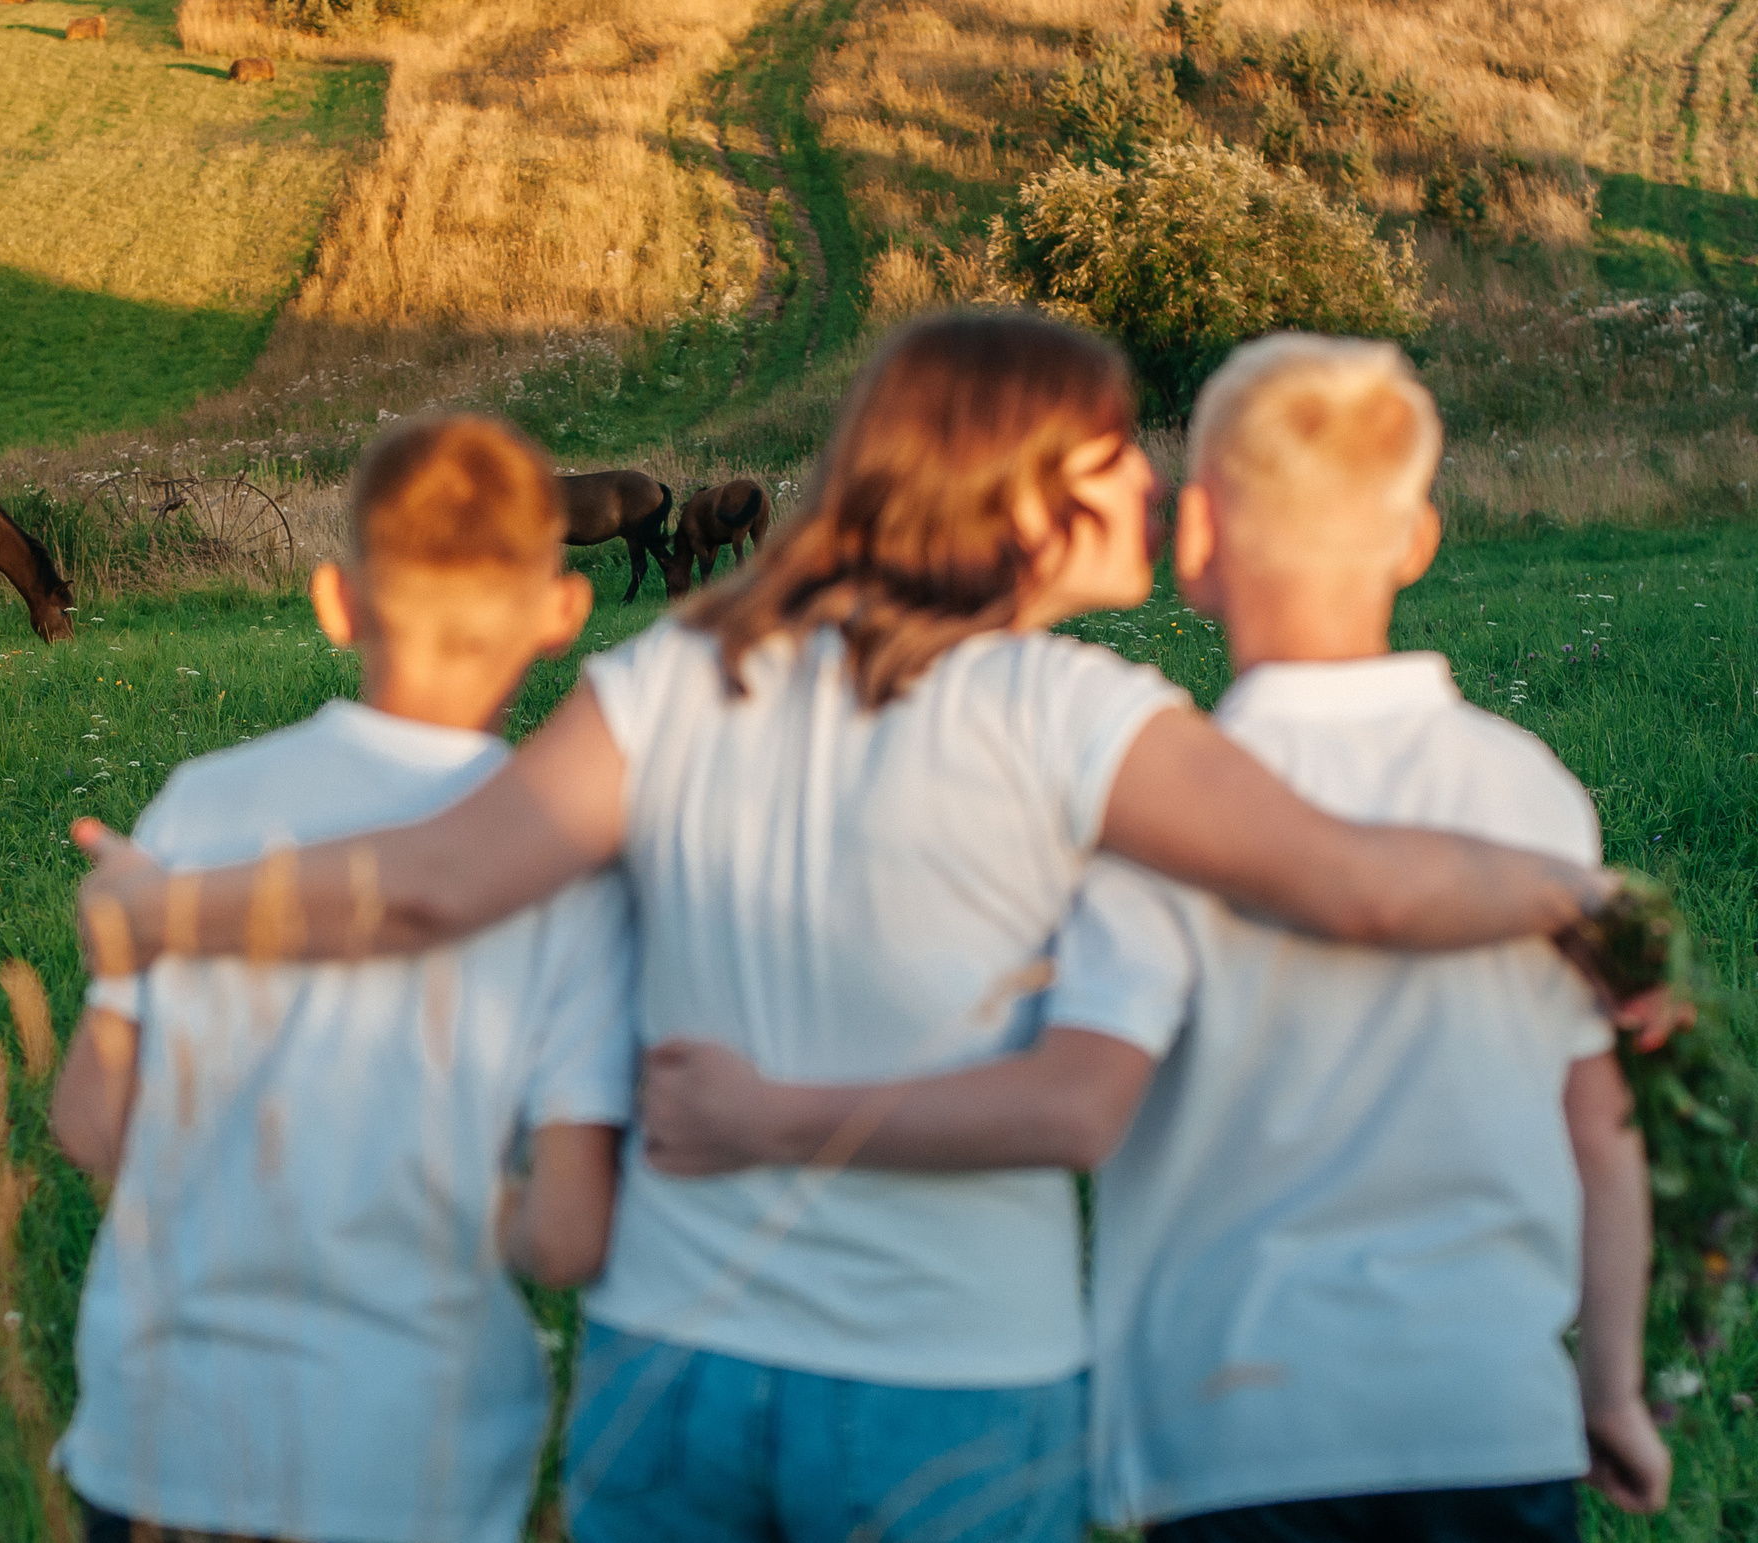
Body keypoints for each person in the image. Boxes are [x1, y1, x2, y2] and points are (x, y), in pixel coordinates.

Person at [71, 312, 1645, 1543]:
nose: (1148, 485)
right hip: (947, 1382)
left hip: (669, 1363)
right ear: (1020, 479)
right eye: (1110, 452)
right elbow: (1358, 883)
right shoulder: (1076, 710)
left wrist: (165, 908)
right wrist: (1585, 901)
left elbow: (433, 877)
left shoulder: (688, 667)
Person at [633, 335, 1671, 1542]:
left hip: (1231, 1432)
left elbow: (1082, 1099)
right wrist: (1608, 1390)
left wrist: (776, 1113)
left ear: (1195, 539)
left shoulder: (1154, 807)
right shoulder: (1535, 795)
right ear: (1419, 538)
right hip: (1493, 1417)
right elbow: (1601, 1127)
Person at [51, 414, 639, 1543]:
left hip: (162, 1432)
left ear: (335, 600)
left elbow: (89, 1122)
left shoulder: (195, 808)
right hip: (406, 1449)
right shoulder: (573, 874)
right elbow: (566, 1236)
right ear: (562, 612)